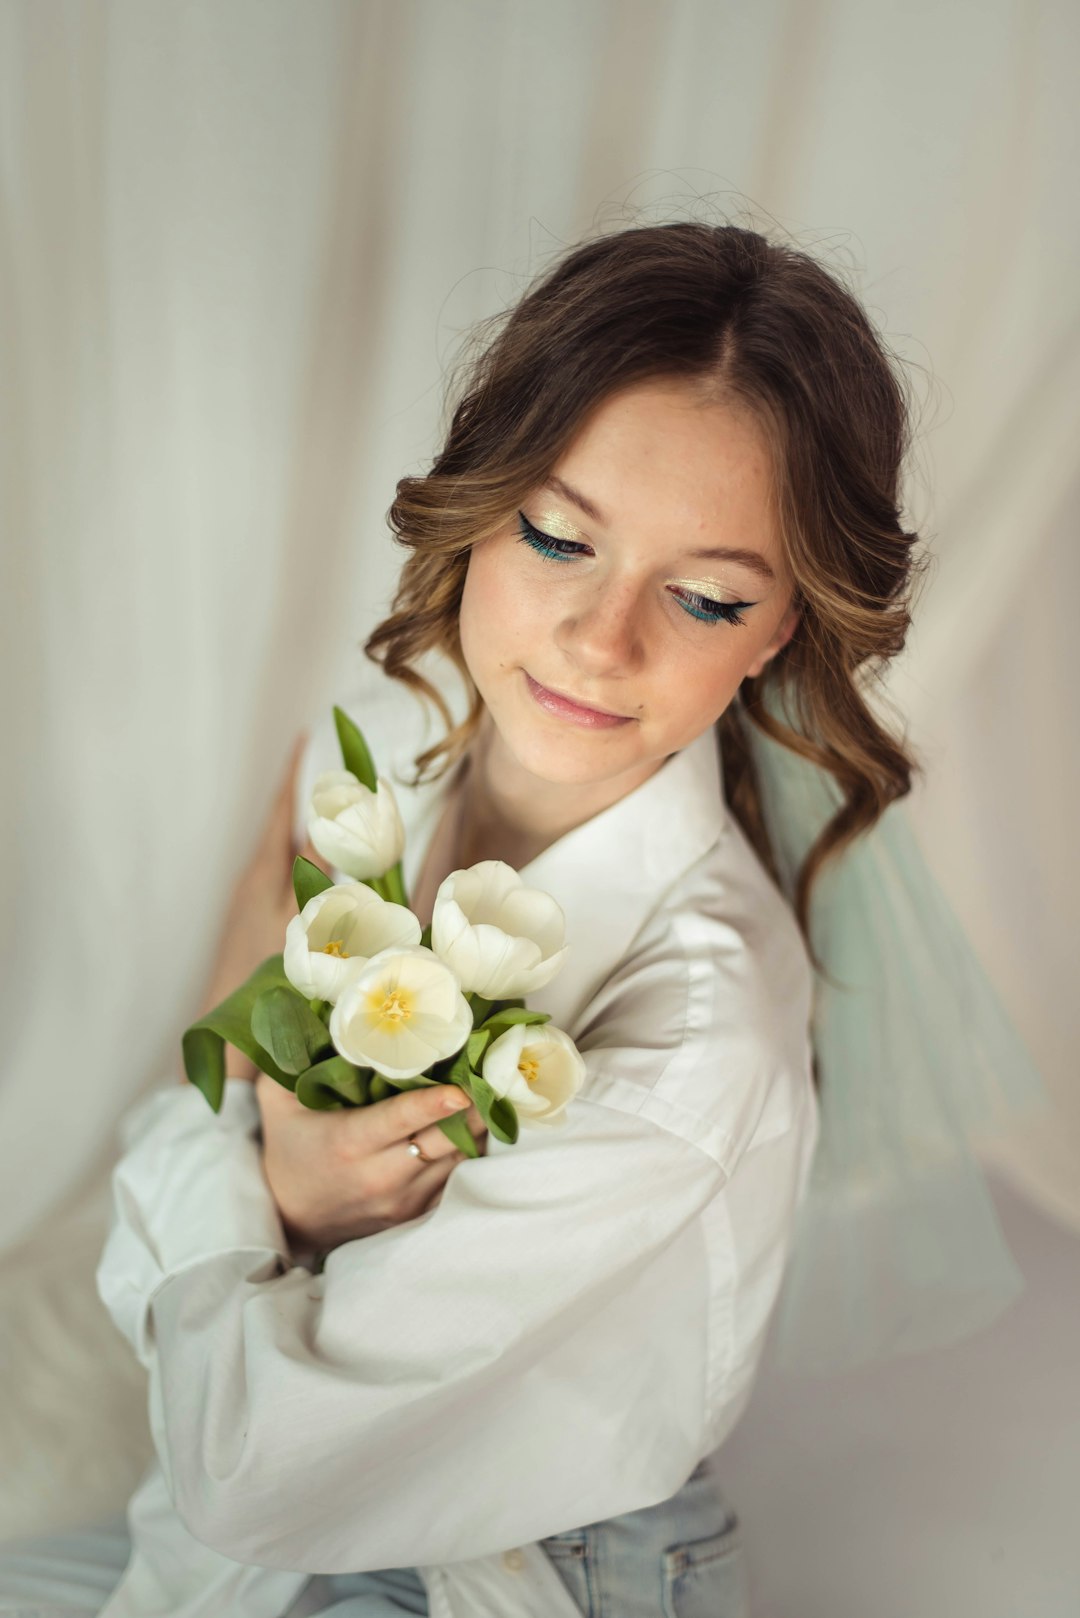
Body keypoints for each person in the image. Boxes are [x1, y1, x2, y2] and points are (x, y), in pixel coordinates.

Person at [0, 219, 1014, 1616]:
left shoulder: (700, 1041)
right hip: (238, 1524)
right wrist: (263, 1184)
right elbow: (184, 1102)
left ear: (779, 630)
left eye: (706, 596)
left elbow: (251, 1453)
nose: (603, 642)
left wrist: (251, 1180)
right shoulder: (369, 749)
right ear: (481, 504)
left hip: (538, 1569)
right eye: (557, 535)